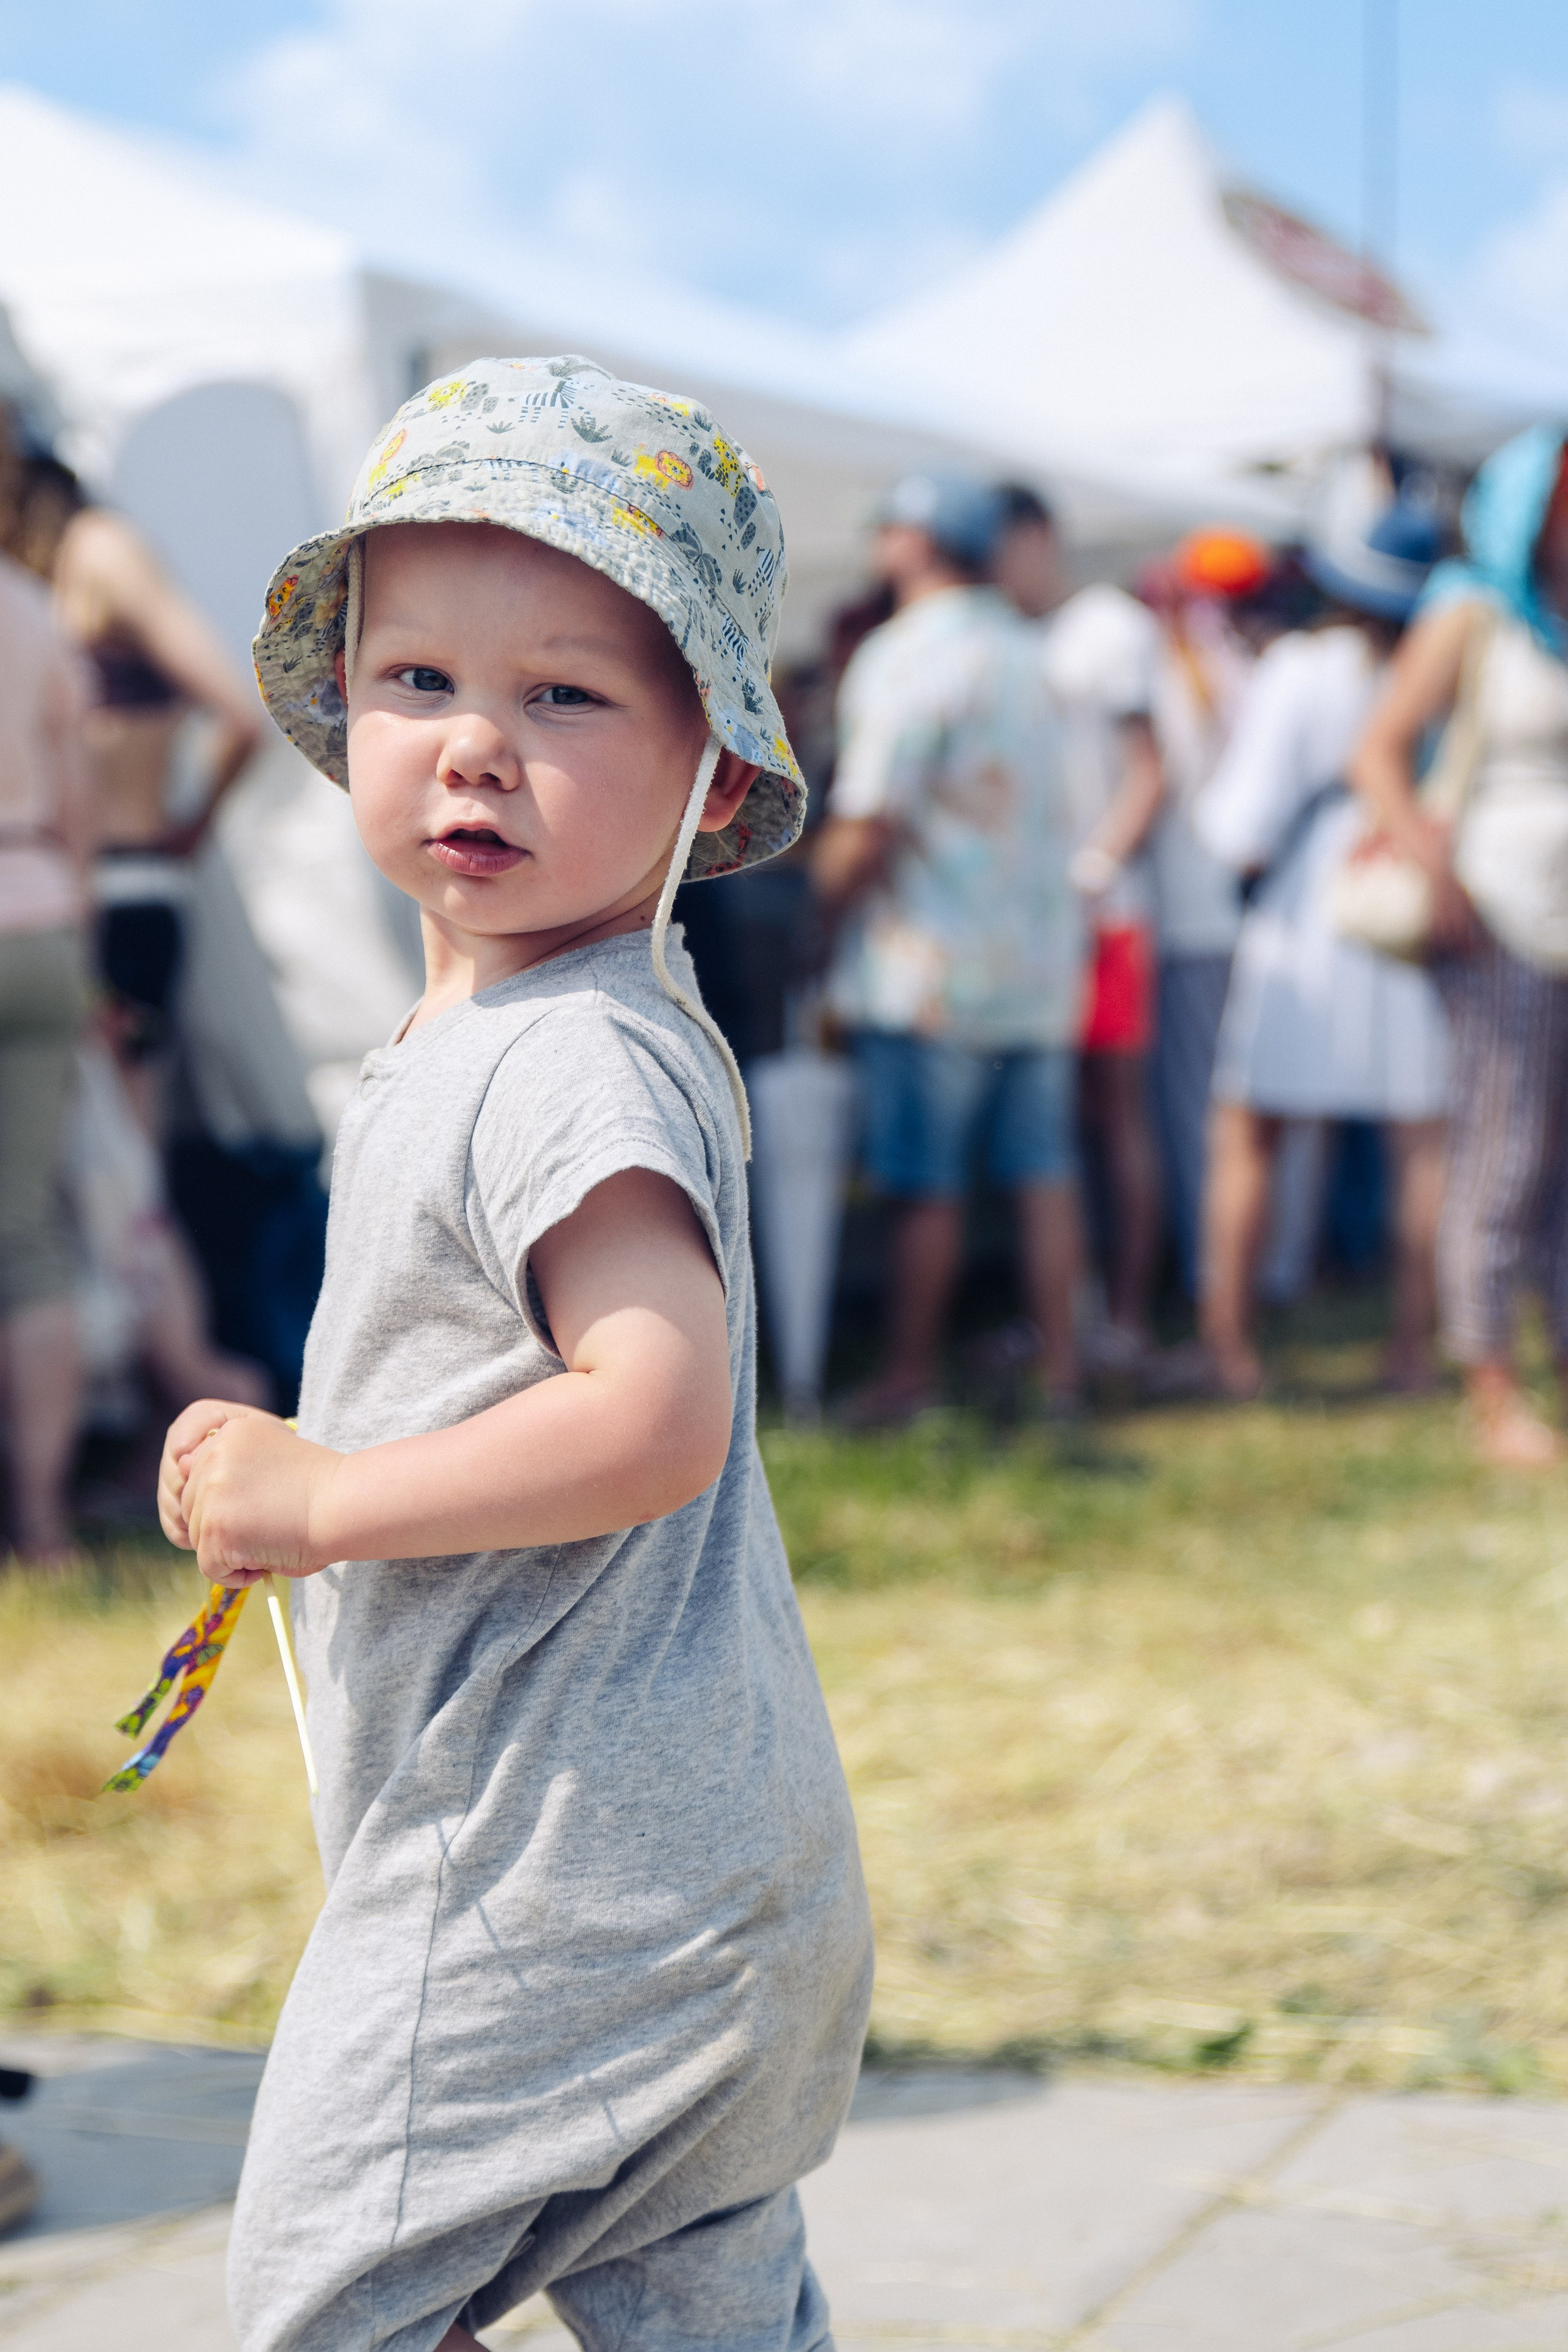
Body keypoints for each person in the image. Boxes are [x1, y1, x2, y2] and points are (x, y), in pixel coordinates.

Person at [156, 358, 873, 2352]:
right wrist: (300, 1452)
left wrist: (326, 1503)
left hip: (545, 1892)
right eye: (418, 684)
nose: (475, 746)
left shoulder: (565, 1054)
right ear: (345, 712)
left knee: (330, 2303)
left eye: (564, 695)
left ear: (715, 774)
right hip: (704, 1871)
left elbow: (651, 1412)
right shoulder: (526, 1036)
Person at [812, 472, 1085, 1422]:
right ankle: (1062, 1376)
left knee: (921, 1188)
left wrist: (822, 909)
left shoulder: (905, 655)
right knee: (1043, 1178)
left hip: (929, 969)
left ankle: (906, 1378)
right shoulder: (1030, 650)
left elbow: (869, 818)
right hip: (1038, 967)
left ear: (916, 544)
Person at [1193, 491, 1448, 1398]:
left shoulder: (1303, 667)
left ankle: (1230, 1347)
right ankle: (1417, 1348)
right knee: (1424, 1138)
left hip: (1310, 905)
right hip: (1411, 895)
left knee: (1249, 1130)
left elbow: (1242, 818)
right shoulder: (1444, 662)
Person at [1352, 427, 1568, 1466]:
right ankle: (1491, 1387)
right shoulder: (1475, 609)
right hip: (1500, 915)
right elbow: (1378, 751)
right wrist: (1435, 872)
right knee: (1507, 1148)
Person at [10, 452, 263, 1122]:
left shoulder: (98, 552)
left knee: (115, 1146)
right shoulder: (73, 564)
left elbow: (243, 717)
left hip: (116, 885)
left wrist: (192, 827)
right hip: (100, 887)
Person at [1000, 491, 1166, 1371]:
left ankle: (1128, 1317)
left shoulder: (1109, 628)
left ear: (1036, 540)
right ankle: (1071, 1315)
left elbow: (1149, 770)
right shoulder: (1014, 638)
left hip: (1105, 919)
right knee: (1054, 1127)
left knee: (1115, 1116)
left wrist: (1095, 869)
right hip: (1040, 923)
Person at [0, 437, 93, 1561]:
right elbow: (79, 810)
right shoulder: (32, 604)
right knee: (27, 1234)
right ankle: (46, 1525)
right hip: (40, 912)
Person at [1142, 530, 1273, 1297]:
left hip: (1193, 916)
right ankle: (1250, 1270)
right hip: (1227, 911)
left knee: (1202, 1110)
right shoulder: (1236, 666)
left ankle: (1213, 1274)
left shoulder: (1186, 670)